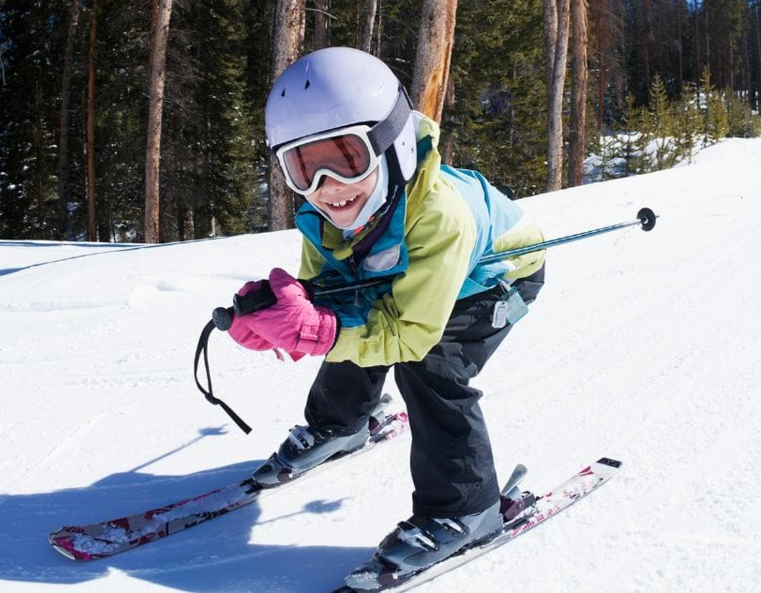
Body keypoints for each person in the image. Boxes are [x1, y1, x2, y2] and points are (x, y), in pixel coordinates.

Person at [227, 47, 545, 581]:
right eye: (303, 167)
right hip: (417, 279)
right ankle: (340, 423)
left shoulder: (440, 216)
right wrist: (274, 317)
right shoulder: (322, 216)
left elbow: (411, 335)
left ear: (390, 144)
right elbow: (329, 298)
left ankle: (466, 508)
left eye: (345, 157)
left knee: (432, 365)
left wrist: (322, 332)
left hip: (494, 281)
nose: (327, 187)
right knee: (349, 316)